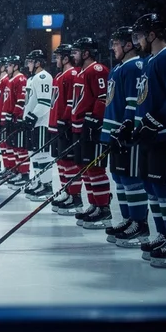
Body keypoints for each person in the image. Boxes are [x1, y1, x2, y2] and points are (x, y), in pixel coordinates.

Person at [117, 14, 166, 268]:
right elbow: (143, 100)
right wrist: (133, 122)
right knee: (152, 188)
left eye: (139, 35)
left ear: (152, 35)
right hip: (155, 135)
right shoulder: (150, 61)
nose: (136, 40)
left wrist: (155, 121)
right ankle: (164, 235)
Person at [100, 27, 147, 246]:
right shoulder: (119, 67)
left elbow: (133, 102)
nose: (113, 48)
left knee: (131, 179)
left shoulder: (135, 66)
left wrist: (126, 127)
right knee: (119, 178)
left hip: (125, 133)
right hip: (114, 132)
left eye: (117, 43)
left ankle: (139, 224)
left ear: (129, 45)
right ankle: (129, 219)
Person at [69, 37, 111, 229]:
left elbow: (103, 97)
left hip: (92, 127)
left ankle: (104, 209)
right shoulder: (81, 72)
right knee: (85, 167)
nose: (73, 55)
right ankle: (94, 204)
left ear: (86, 53)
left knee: (95, 169)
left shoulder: (97, 69)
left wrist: (94, 119)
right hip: (80, 127)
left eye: (76, 52)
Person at [50, 44, 81, 214]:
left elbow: (72, 101)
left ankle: (75, 196)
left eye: (59, 57)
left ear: (66, 58)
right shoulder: (60, 75)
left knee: (69, 163)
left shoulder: (72, 74)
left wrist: (65, 120)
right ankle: (67, 192)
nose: (56, 60)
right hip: (57, 125)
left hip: (66, 126)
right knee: (61, 162)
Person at [22, 49, 54, 201]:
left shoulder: (43, 77)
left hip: (41, 122)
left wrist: (32, 117)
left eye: (30, 61)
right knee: (34, 154)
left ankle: (47, 186)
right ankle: (39, 182)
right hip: (34, 122)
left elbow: (44, 102)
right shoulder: (33, 78)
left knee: (42, 155)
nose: (28, 64)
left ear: (38, 63)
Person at [5, 55, 29, 188]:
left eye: (9, 65)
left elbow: (21, 100)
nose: (7, 67)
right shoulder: (12, 79)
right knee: (13, 147)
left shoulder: (20, 79)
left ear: (15, 66)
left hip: (18, 119)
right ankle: (17, 171)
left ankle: (24, 174)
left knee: (20, 148)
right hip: (11, 118)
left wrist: (15, 115)